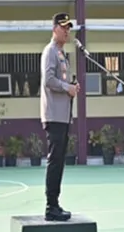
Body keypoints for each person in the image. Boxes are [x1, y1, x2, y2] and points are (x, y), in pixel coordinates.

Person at [41, 12, 80, 221]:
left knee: (59, 161)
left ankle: (55, 203)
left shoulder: (62, 53)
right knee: (55, 161)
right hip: (54, 115)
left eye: (68, 28)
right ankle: (51, 206)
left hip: (63, 115)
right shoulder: (50, 52)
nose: (67, 31)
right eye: (63, 27)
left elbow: (61, 80)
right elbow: (48, 79)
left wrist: (72, 87)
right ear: (54, 28)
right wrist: (67, 87)